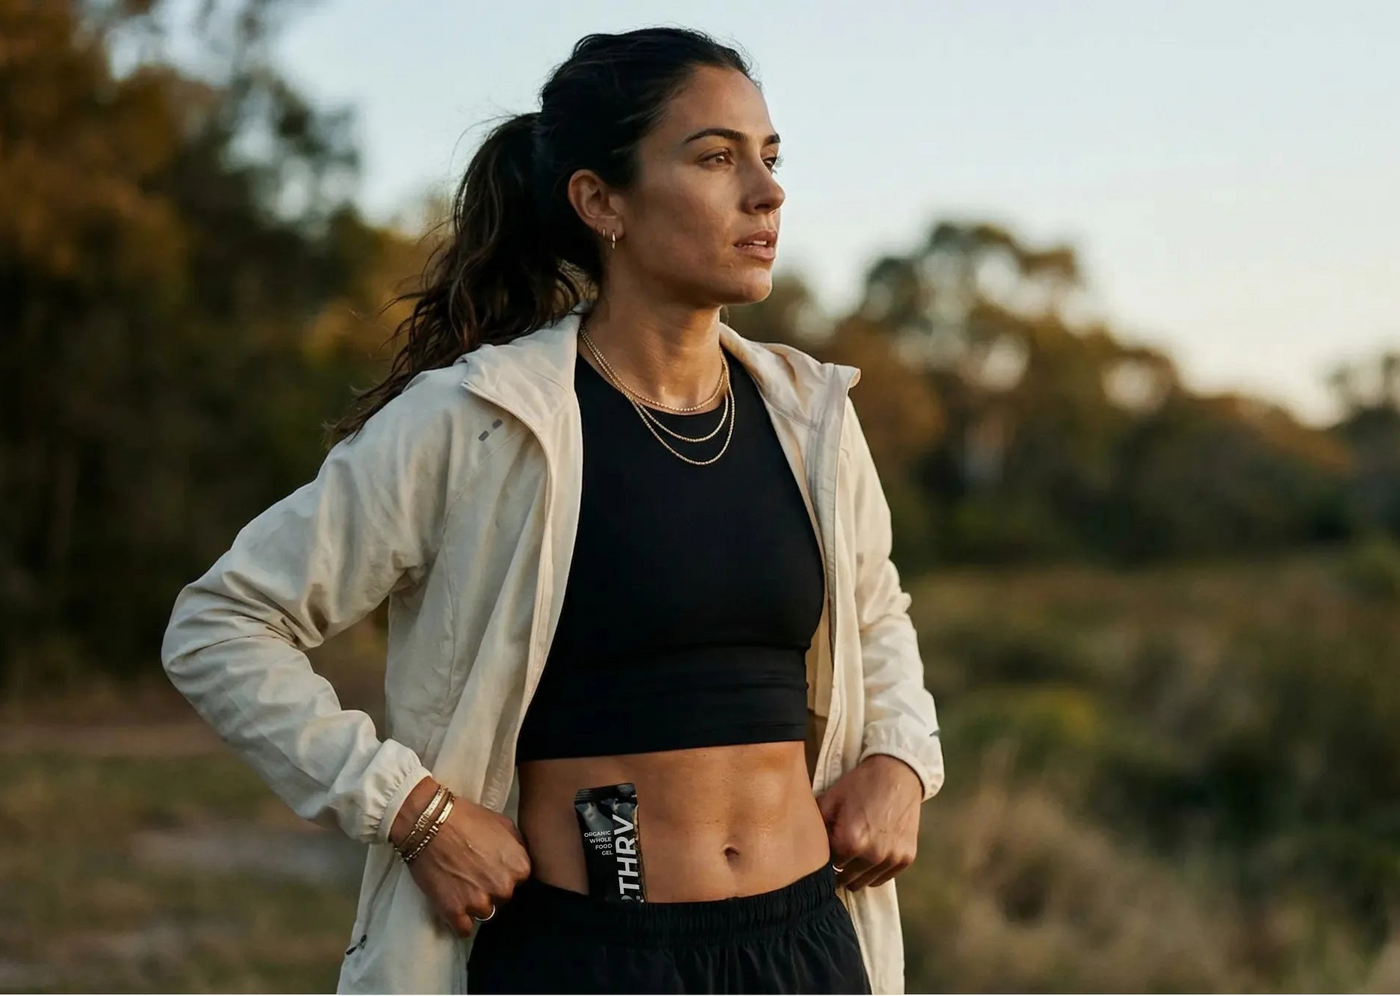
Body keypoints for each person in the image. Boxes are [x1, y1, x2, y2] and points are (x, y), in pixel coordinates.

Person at [160, 25, 943, 996]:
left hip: (803, 948)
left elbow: (874, 612)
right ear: (599, 200)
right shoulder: (482, 420)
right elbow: (222, 624)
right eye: (714, 157)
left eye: (769, 157)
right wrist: (413, 812)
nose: (766, 191)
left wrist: (901, 760)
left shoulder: (809, 416)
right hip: (587, 955)